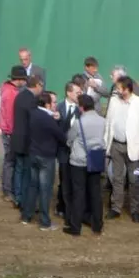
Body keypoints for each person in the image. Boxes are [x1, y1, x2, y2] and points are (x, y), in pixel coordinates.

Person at [104, 75, 139, 222]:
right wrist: (106, 142)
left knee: (134, 181)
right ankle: (116, 207)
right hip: (116, 145)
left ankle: (135, 209)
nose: (117, 90)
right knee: (117, 178)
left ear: (127, 89)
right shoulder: (113, 101)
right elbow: (108, 123)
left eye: (119, 88)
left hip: (134, 148)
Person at [22, 90, 66, 231]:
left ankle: (26, 216)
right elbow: (61, 136)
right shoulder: (47, 119)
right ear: (47, 104)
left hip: (33, 154)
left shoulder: (33, 113)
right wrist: (58, 121)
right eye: (52, 102)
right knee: (45, 189)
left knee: (33, 186)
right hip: (46, 157)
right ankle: (45, 221)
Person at [65, 93, 106, 236]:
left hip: (79, 161)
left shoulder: (79, 122)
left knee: (78, 193)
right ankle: (98, 225)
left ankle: (75, 226)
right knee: (95, 193)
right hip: (95, 159)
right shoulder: (102, 121)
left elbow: (70, 139)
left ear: (81, 107)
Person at [12, 74, 43, 210]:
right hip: (26, 141)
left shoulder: (19, 96)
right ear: (37, 85)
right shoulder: (32, 100)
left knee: (19, 170)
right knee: (26, 172)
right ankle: (25, 200)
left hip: (17, 138)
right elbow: (34, 121)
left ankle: (18, 197)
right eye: (41, 86)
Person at [0, 66, 26, 202]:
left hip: (7, 130)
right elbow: (9, 115)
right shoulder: (11, 93)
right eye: (23, 79)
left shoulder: (8, 89)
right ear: (19, 79)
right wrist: (13, 132)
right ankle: (8, 190)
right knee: (10, 161)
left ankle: (7, 188)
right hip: (10, 132)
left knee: (9, 161)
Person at [56, 81, 82, 218]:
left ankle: (70, 207)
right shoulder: (58, 107)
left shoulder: (82, 109)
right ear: (69, 93)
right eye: (77, 92)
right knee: (64, 178)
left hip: (77, 151)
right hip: (63, 150)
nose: (80, 95)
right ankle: (63, 207)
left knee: (73, 180)